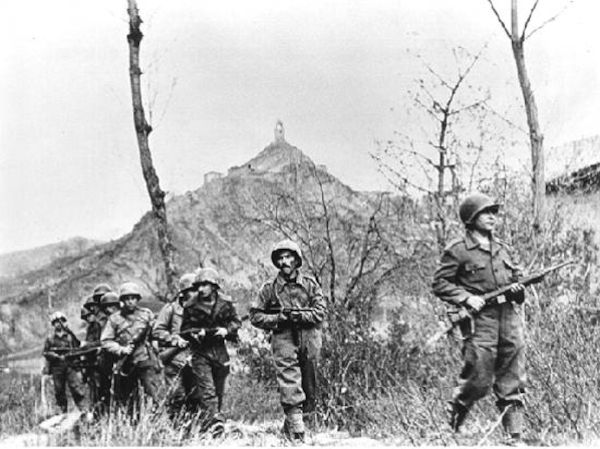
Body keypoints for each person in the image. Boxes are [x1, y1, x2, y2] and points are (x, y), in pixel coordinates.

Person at [432, 193, 526, 443]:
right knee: (478, 378)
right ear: (471, 219)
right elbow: (440, 284)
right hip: (479, 322)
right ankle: (452, 425)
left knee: (512, 376)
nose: (492, 217)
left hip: (508, 318)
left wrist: (518, 290)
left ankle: (514, 436)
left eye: (494, 212)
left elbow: (517, 280)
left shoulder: (504, 249)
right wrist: (465, 297)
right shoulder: (458, 250)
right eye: (486, 213)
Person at [249, 239, 326, 442]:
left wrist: (299, 316)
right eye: (280, 258)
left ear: (296, 259)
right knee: (289, 379)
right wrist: (278, 319)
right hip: (283, 338)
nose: (284, 261)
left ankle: (289, 430)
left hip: (309, 339)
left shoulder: (310, 285)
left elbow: (320, 312)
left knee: (309, 386)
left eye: (288, 257)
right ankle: (297, 429)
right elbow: (255, 316)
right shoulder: (269, 289)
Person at [180, 267, 241, 436]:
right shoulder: (190, 305)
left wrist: (226, 330)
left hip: (220, 351)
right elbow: (183, 330)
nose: (201, 289)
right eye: (198, 285)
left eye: (205, 285)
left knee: (219, 390)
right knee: (207, 391)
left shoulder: (225, 303)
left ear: (214, 286)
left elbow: (236, 322)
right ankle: (215, 426)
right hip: (201, 352)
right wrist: (194, 334)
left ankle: (213, 422)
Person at [101, 282, 162, 412]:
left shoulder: (146, 314)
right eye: (126, 299)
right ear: (122, 300)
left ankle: (157, 420)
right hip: (125, 362)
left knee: (152, 394)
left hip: (144, 358)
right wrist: (121, 349)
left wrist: (155, 341)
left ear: (137, 299)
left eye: (133, 298)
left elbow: (155, 333)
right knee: (128, 398)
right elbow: (106, 341)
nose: (130, 302)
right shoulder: (114, 319)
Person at [152, 273, 196, 419]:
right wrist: (174, 339)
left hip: (196, 360)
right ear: (183, 293)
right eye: (192, 290)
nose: (196, 293)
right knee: (176, 396)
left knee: (196, 396)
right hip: (175, 360)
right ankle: (175, 429)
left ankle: (194, 430)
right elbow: (157, 331)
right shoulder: (170, 309)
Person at [42, 311, 88, 414]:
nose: (59, 324)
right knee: (59, 390)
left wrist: (70, 331)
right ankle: (63, 412)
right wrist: (55, 356)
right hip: (57, 367)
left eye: (61, 321)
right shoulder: (50, 339)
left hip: (70, 366)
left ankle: (83, 411)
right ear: (53, 324)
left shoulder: (69, 336)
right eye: (56, 322)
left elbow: (77, 346)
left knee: (76, 388)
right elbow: (45, 352)